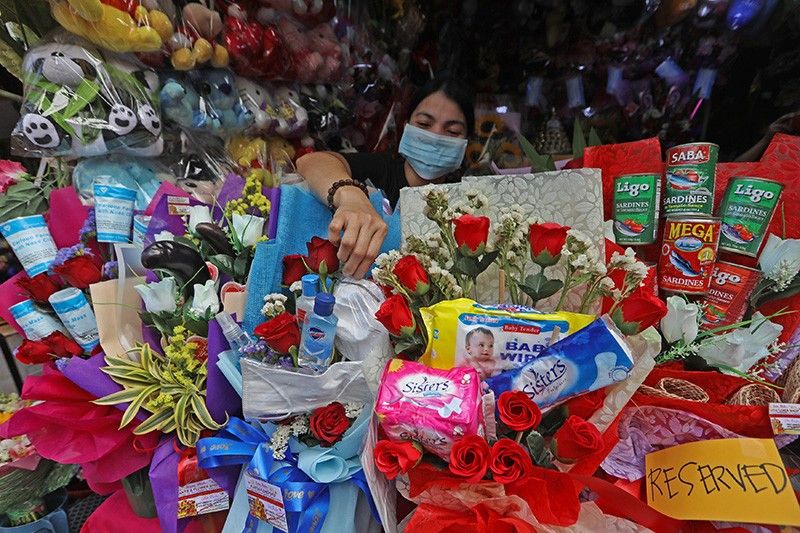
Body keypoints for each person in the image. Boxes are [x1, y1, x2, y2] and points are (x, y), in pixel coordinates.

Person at [297, 77, 474, 279]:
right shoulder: (380, 169)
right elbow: (309, 163)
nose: (435, 137)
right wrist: (351, 196)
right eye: (424, 124)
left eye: (452, 131)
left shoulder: (467, 203)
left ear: (467, 142)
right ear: (406, 126)